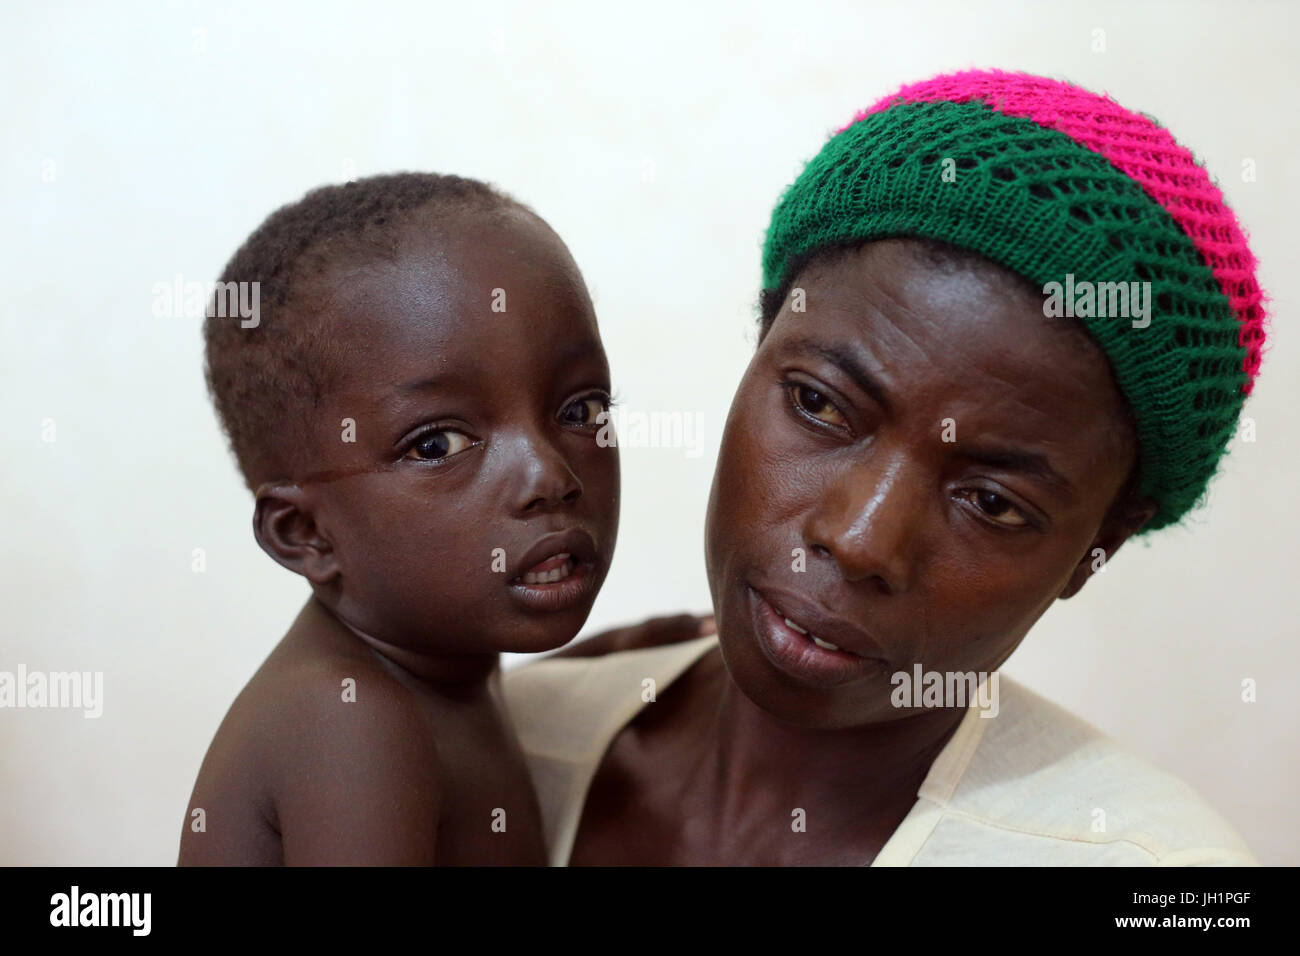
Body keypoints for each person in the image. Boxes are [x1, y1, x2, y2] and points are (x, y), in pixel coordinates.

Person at [502, 70, 1266, 866]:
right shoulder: (508, 747)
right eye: (820, 406)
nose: (862, 539)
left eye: (993, 503)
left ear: (1095, 549)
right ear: (762, 340)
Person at [180, 172, 620, 865]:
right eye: (437, 443)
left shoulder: (436, 665)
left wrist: (629, 658)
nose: (548, 477)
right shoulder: (351, 724)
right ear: (307, 535)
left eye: (581, 410)